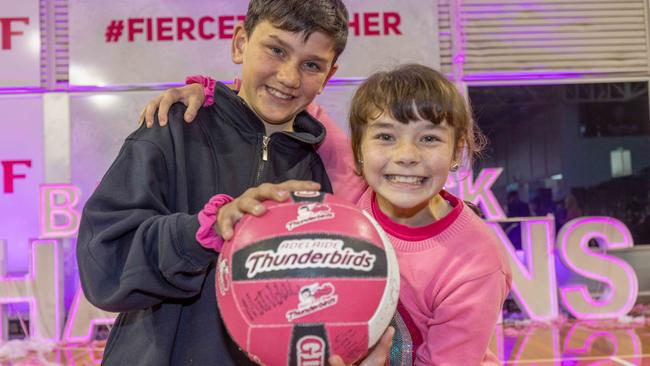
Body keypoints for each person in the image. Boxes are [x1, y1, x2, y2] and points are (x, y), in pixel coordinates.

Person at [77, 1, 393, 365]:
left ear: (328, 76)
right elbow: (104, 263)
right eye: (276, 50)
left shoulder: (315, 171)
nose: (289, 77)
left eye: (311, 65)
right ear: (240, 43)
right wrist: (202, 230)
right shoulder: (175, 127)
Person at [144, 64, 513, 365]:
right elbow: (290, 99)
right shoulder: (353, 192)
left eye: (429, 138)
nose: (406, 154)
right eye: (385, 137)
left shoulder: (477, 262)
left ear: (456, 151)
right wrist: (212, 96)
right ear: (358, 150)